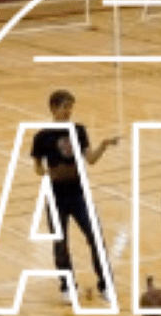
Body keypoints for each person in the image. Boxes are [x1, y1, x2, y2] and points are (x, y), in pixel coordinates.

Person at [29, 90, 118, 302]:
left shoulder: (78, 131)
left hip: (79, 194)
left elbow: (91, 159)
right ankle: (67, 286)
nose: (68, 112)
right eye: (64, 107)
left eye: (70, 107)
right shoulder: (42, 137)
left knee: (95, 237)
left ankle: (105, 284)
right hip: (56, 196)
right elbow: (37, 168)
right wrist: (48, 171)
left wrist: (103, 146)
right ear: (53, 109)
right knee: (60, 243)